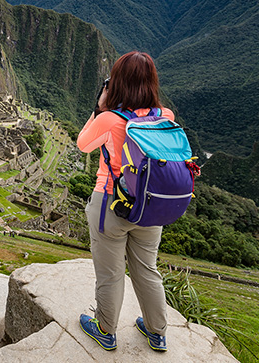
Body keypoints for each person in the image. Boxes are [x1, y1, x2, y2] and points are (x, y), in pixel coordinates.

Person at [75, 51, 172, 353]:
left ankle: (105, 330)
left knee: (111, 273)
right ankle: (157, 332)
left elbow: (83, 145)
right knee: (147, 269)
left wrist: (100, 107)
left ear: (115, 83)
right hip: (150, 207)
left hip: (111, 205)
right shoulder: (165, 117)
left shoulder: (109, 119)